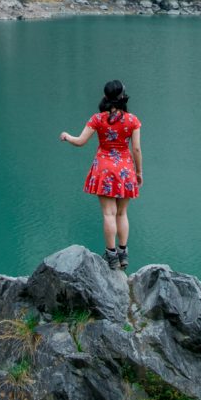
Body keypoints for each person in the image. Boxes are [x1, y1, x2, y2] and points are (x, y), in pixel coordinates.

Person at [59, 79, 143, 271]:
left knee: (108, 214)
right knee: (122, 213)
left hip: (104, 169)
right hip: (124, 169)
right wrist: (139, 172)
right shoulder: (133, 120)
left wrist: (66, 136)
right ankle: (123, 253)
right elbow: (136, 149)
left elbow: (80, 141)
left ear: (106, 97)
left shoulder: (97, 119)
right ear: (122, 97)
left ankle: (111, 255)